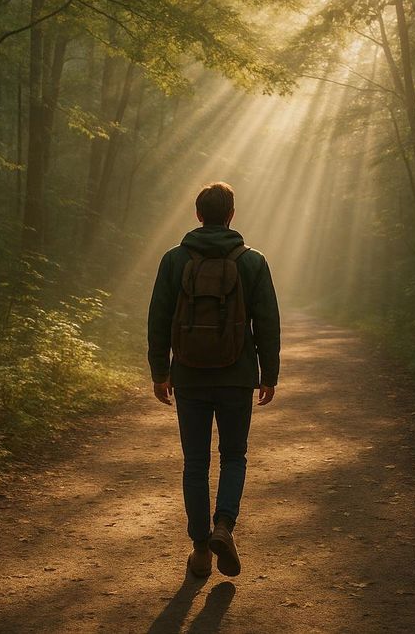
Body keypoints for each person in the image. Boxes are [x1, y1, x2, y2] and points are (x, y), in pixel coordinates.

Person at [147, 182, 281, 579]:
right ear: (232, 215)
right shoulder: (252, 261)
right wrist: (267, 374)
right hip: (237, 377)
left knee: (195, 462)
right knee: (234, 455)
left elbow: (158, 319)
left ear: (198, 214)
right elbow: (268, 322)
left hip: (188, 374)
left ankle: (201, 549)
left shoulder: (174, 260)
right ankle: (224, 524)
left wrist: (160, 371)